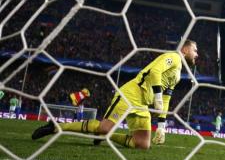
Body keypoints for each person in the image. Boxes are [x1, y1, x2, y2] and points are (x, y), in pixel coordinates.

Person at [31, 40, 199, 149]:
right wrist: (157, 96)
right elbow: (155, 71)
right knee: (105, 127)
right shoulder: (174, 57)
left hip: (142, 104)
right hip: (132, 94)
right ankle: (56, 126)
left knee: (142, 144)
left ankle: (106, 136)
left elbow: (167, 99)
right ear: (184, 49)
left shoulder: (177, 73)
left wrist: (161, 126)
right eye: (195, 50)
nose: (197, 54)